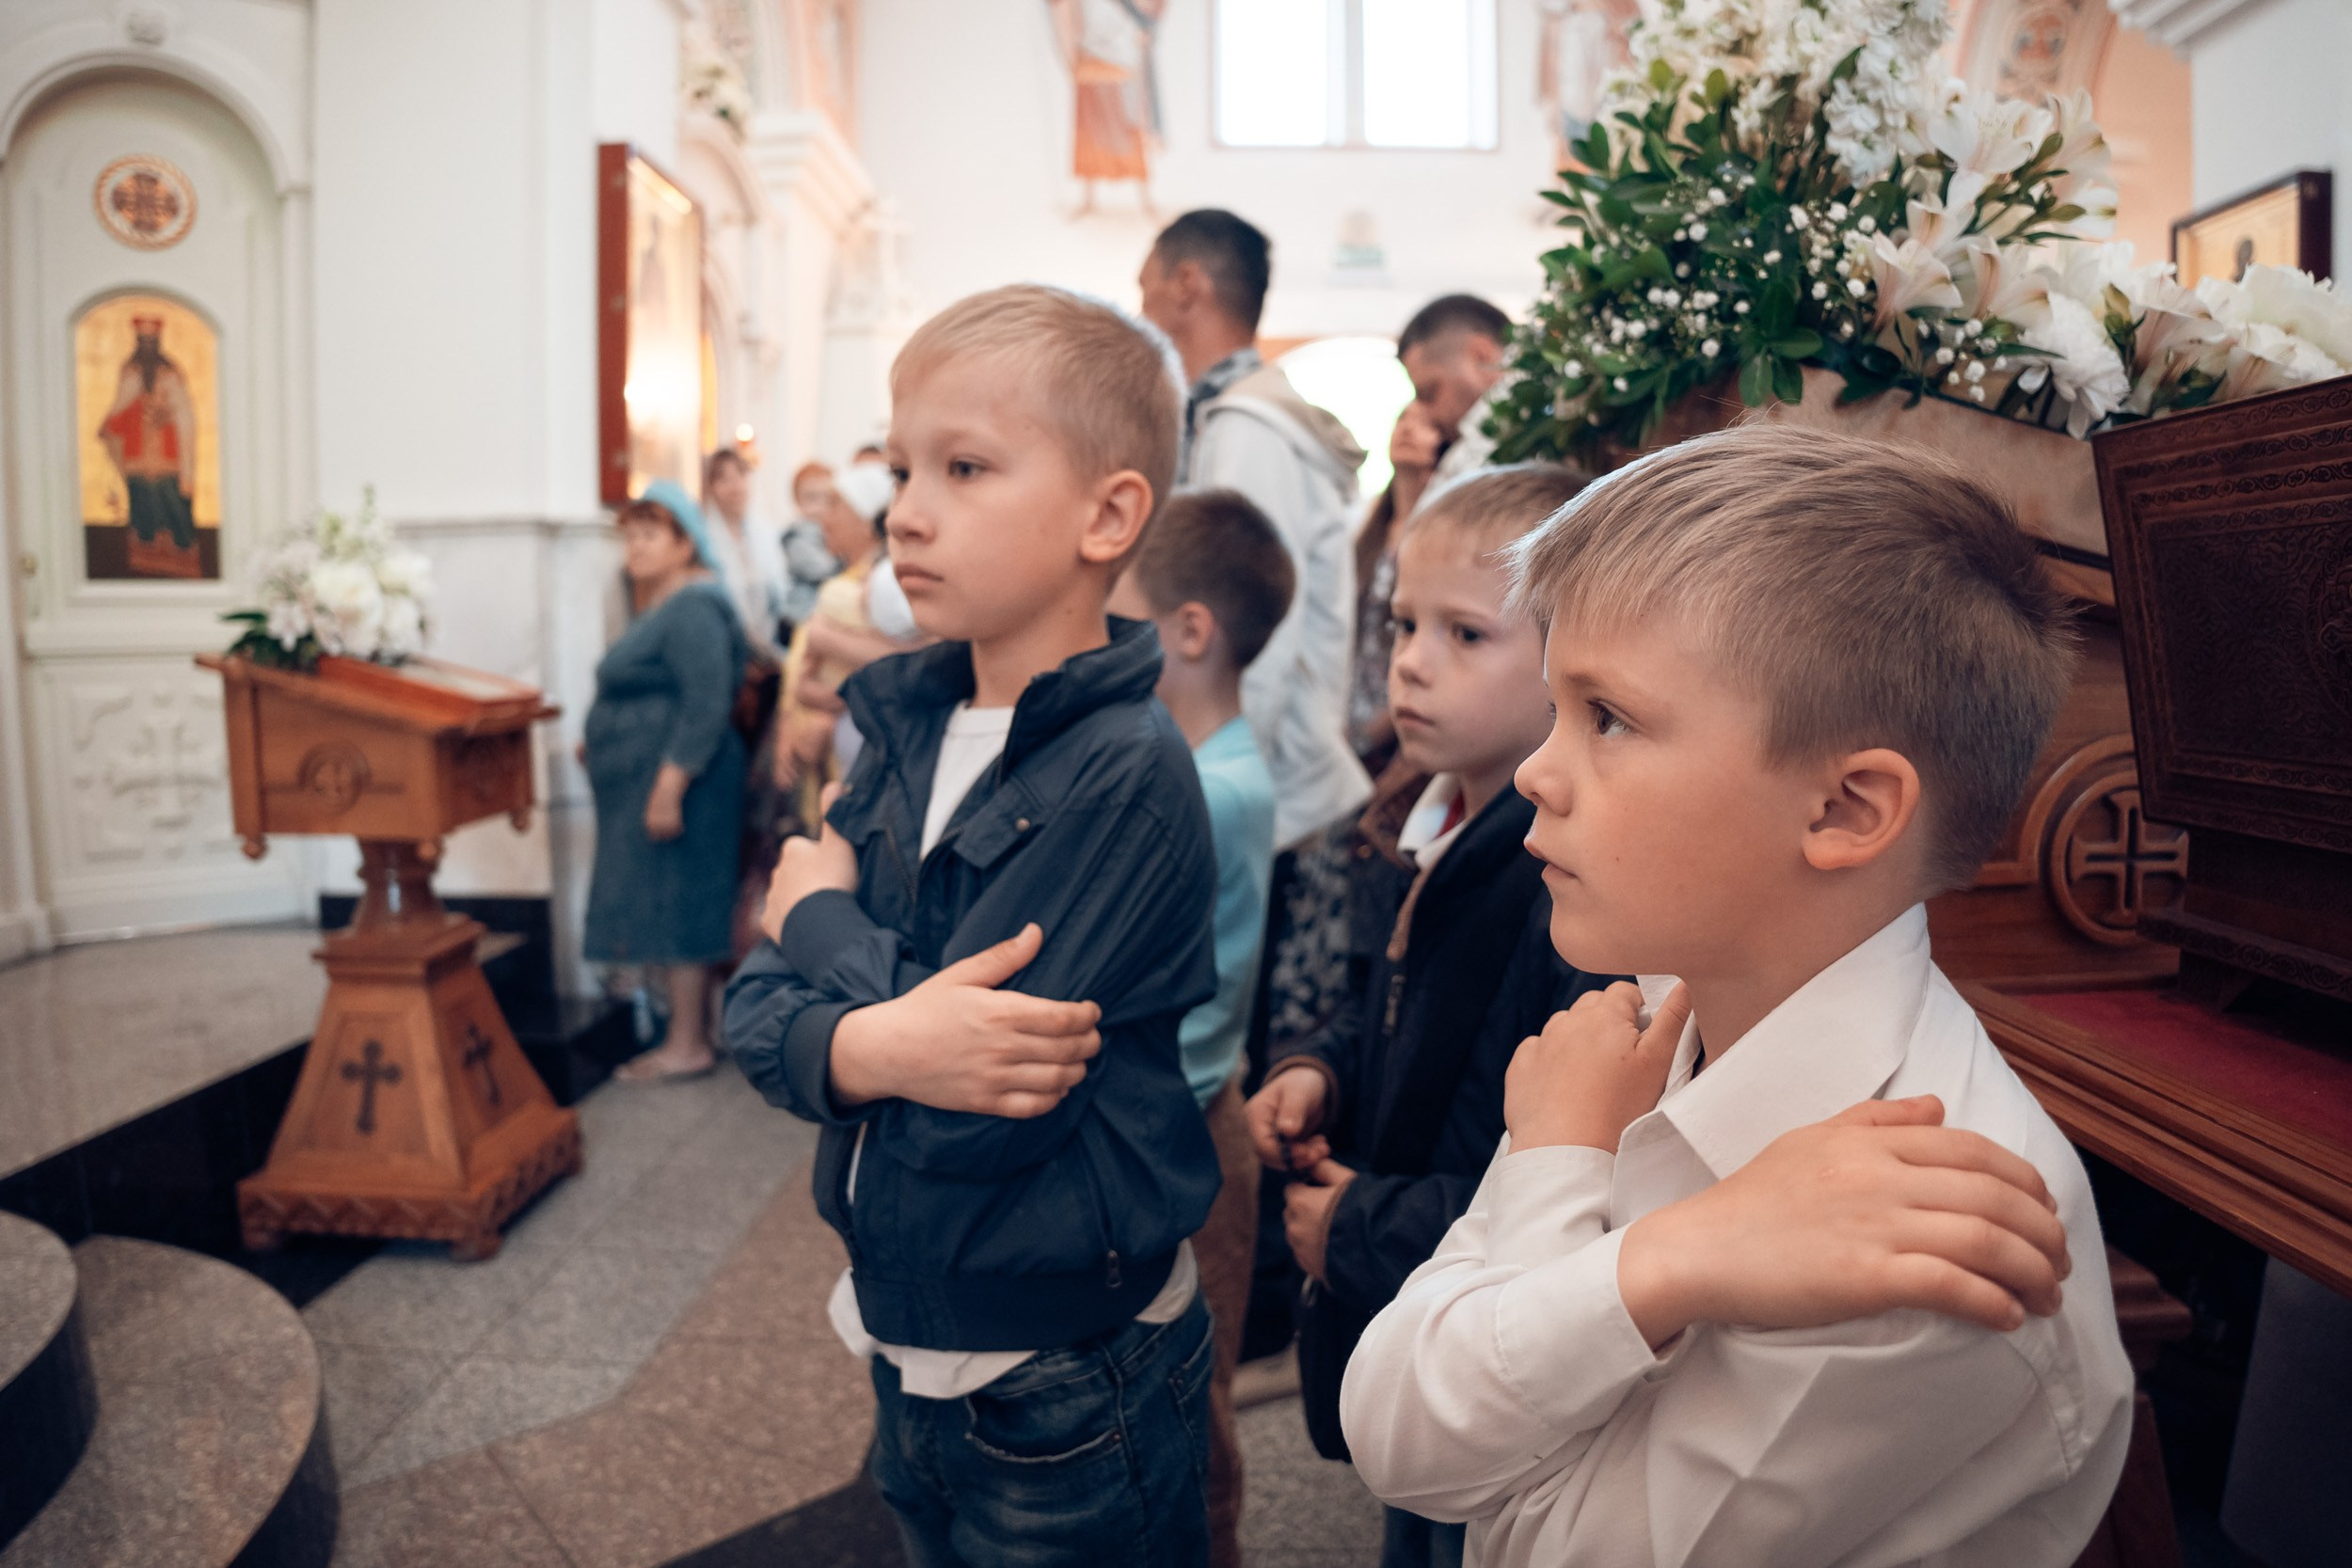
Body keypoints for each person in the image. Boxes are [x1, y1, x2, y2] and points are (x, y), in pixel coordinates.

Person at [1340, 427, 2136, 1566]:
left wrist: (1561, 1187)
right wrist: (1634, 1230)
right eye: (1558, 707)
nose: (1534, 773)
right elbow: (1398, 1431)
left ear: (1845, 811)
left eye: (1607, 717)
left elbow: (1529, 1545)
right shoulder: (1662, 1006)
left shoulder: (1922, 1234)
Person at [724, 283, 1222, 1567]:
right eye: (901, 467)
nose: (905, 509)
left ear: (1109, 514)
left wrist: (821, 917)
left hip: (1065, 1360)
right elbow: (751, 1010)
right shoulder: (904, 718)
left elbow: (988, 1090)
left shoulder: (1124, 769)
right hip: (906, 1325)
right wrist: (881, 1040)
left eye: (963, 466)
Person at [1245, 464, 1616, 1568]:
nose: (1409, 659)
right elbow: (1388, 1003)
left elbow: (1565, 1186)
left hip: (1483, 1314)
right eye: (1405, 623)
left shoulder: (1568, 890)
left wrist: (1359, 1224)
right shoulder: (1422, 818)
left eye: (1465, 634)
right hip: (1414, 1278)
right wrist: (1321, 1066)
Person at [1106, 488, 1291, 1568]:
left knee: (1196, 1384)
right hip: (1183, 1102)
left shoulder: (1207, 787)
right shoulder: (1199, 763)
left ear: (1187, 630)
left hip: (1182, 1119)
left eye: (1119, 614)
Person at [1137, 208, 1370, 851]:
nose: (1143, 308)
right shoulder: (1232, 414)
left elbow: (1244, 619)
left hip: (1267, 790)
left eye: (1144, 287)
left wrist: (1221, 777)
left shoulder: (1247, 426)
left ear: (1187, 284)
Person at [584, 480, 749, 1083]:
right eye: (629, 534)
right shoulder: (667, 602)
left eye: (650, 534)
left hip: (690, 782)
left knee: (682, 901)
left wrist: (669, 785)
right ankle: (697, 1029)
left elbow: (706, 702)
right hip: (665, 776)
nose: (635, 546)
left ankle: (686, 1045)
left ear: (685, 543)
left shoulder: (695, 605)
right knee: (672, 896)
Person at [1348, 295, 1515, 766]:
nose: (1427, 414)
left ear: (1483, 357)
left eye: (1430, 392)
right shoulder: (1451, 460)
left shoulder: (1505, 454)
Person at [773, 461, 901, 821]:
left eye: (836, 508)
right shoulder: (843, 579)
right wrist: (788, 722)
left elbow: (900, 666)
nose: (824, 520)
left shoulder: (884, 590)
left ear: (865, 520)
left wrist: (829, 711)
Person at [703, 447, 788, 657]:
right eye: (723, 479)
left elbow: (779, 592)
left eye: (739, 475)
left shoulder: (766, 533)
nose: (734, 486)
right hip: (726, 645)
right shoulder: (704, 538)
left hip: (770, 641)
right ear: (711, 487)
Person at [781, 460, 843, 634]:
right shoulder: (796, 538)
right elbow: (822, 570)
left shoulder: (831, 532)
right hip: (799, 616)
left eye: (828, 499)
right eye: (811, 498)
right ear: (797, 501)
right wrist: (843, 558)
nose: (820, 507)